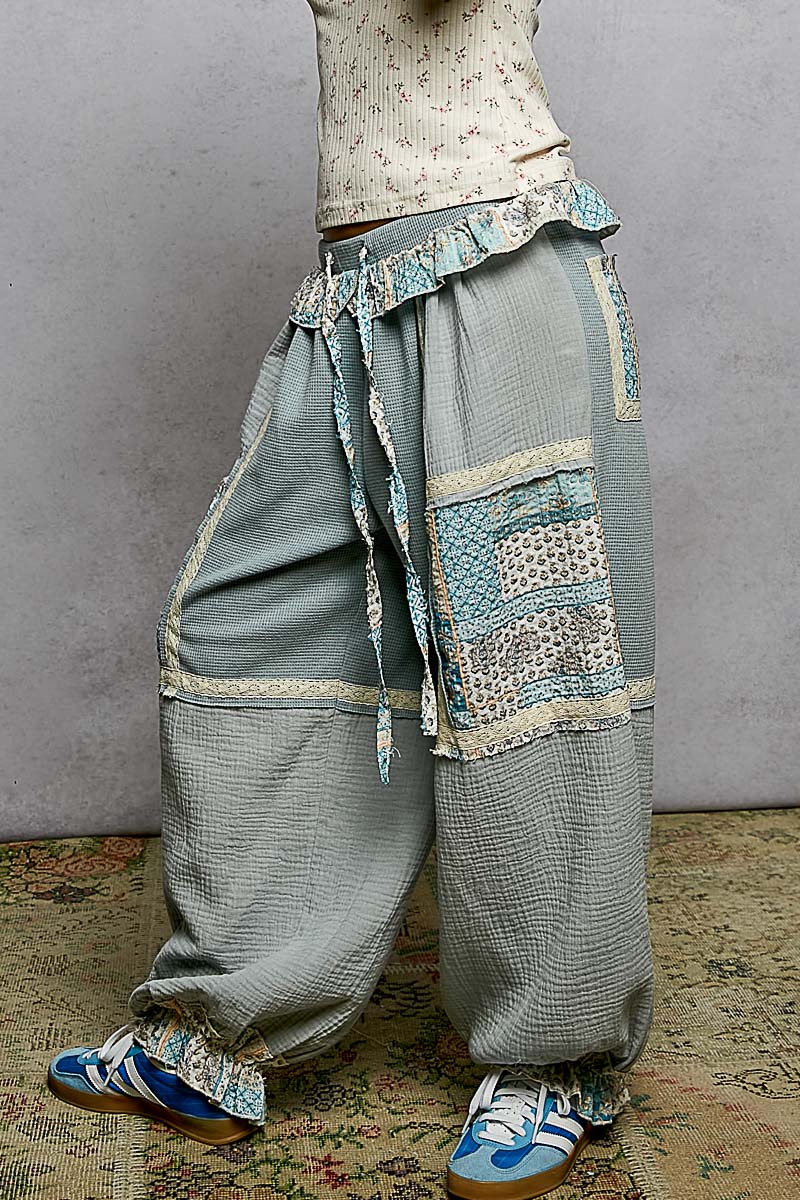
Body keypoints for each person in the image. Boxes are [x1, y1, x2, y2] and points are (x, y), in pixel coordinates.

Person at [47, 2, 657, 1196]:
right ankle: (223, 1022)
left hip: (499, 270)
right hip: (355, 294)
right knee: (249, 625)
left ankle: (551, 1057)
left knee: (526, 664)